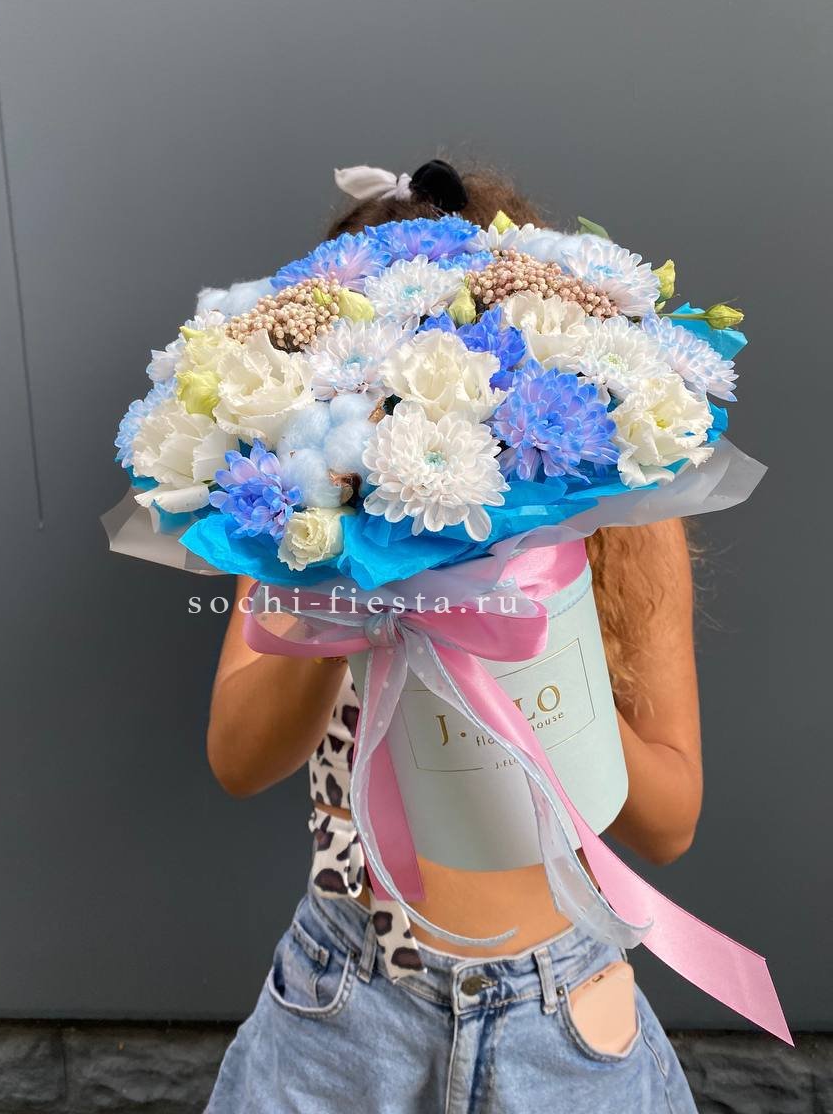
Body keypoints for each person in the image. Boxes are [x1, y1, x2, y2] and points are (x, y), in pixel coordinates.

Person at [204, 163, 700, 1113]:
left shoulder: (627, 518)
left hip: (561, 1011)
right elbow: (238, 756)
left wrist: (533, 634)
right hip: (346, 999)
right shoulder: (293, 515)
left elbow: (670, 823)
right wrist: (345, 587)